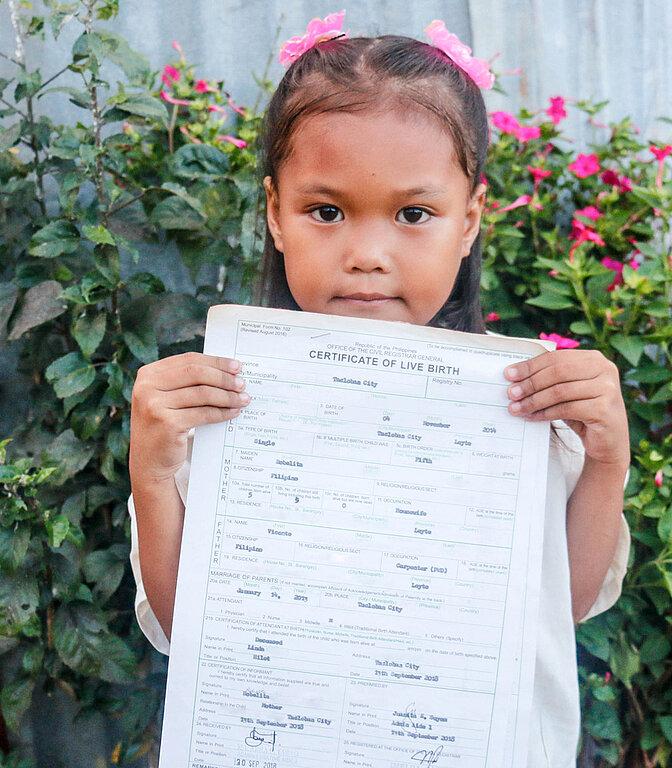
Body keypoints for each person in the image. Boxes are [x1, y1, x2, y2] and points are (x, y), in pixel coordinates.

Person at [127, 17, 630, 767]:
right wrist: (154, 473)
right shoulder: (212, 404)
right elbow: (184, 627)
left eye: (413, 214)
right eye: (325, 211)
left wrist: (605, 462)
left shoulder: (529, 400)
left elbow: (569, 603)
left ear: (470, 220)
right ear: (274, 214)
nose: (366, 255)